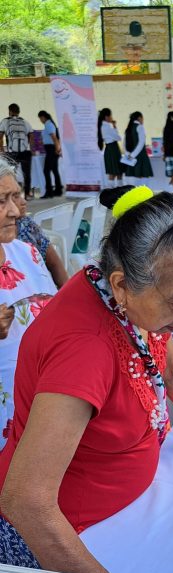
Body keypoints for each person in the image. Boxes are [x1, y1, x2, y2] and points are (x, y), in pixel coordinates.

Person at [0, 185, 173, 573]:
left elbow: (172, 369)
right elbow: (26, 501)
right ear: (122, 284)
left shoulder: (132, 299)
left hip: (126, 516)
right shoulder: (85, 349)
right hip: (68, 540)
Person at [0, 158, 57, 449]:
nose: (14, 211)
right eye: (1, 201)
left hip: (44, 402)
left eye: (15, 196)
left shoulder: (26, 254)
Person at [14, 190, 68, 288]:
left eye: (19, 195)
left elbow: (54, 264)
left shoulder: (27, 224)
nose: (24, 202)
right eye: (15, 197)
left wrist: (67, 293)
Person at [0, 104, 33, 200]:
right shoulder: (25, 122)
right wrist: (31, 148)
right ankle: (27, 194)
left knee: (10, 174)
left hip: (12, 152)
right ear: (19, 112)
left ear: (10, 111)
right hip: (26, 152)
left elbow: (0, 136)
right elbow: (31, 135)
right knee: (27, 174)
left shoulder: (5, 121)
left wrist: (1, 149)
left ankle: (13, 195)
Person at [37, 110, 63, 199]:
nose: (40, 120)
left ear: (43, 117)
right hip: (51, 148)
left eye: (40, 118)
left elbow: (54, 138)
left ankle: (49, 192)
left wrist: (57, 148)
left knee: (46, 171)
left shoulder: (48, 124)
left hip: (51, 149)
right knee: (54, 170)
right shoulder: (49, 124)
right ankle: (58, 190)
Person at [123, 111, 153, 184]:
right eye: (143, 118)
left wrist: (128, 154)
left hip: (130, 156)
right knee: (143, 177)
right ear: (139, 118)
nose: (143, 120)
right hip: (140, 155)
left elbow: (124, 144)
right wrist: (133, 155)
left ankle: (136, 190)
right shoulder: (140, 127)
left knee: (134, 177)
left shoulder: (128, 128)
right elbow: (141, 143)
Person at [97, 108, 123, 188]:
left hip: (109, 149)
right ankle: (117, 190)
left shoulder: (102, 126)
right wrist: (115, 126)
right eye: (111, 115)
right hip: (113, 149)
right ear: (106, 117)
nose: (112, 117)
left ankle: (112, 190)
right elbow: (118, 138)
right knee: (116, 172)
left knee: (114, 172)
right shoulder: (107, 126)